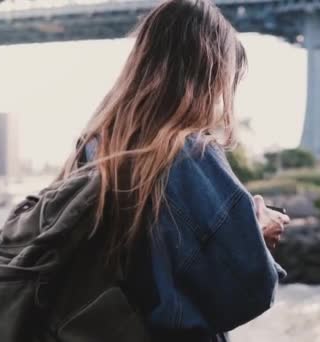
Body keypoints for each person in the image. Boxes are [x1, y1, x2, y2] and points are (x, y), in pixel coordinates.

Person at [57, 0, 290, 340]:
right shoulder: (188, 152)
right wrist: (260, 234)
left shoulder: (92, 147)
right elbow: (246, 291)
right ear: (208, 73)